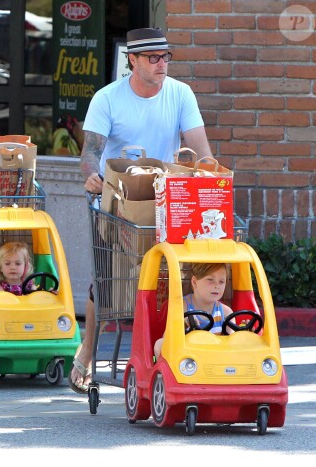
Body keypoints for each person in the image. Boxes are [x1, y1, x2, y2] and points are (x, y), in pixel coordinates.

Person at [70, 27, 215, 394]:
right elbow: (90, 153)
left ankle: (175, 351)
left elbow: (201, 150)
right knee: (110, 278)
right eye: (153, 57)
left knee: (174, 278)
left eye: (166, 56)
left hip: (167, 200)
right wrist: (92, 177)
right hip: (119, 197)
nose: (161, 63)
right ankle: (87, 350)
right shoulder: (108, 98)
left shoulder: (180, 93)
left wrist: (212, 173)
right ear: (132, 60)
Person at [154, 263, 235, 359]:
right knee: (160, 344)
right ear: (194, 282)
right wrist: (183, 325)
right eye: (210, 280)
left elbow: (232, 344)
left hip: (215, 359)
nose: (217, 285)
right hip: (187, 360)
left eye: (221, 281)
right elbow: (168, 338)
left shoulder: (226, 312)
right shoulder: (182, 306)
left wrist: (244, 332)